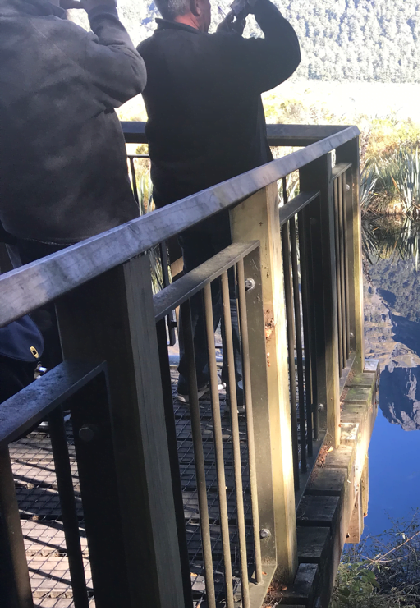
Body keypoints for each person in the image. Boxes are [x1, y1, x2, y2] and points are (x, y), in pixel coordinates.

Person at [0, 0, 145, 608]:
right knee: (112, 373)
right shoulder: (60, 40)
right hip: (93, 244)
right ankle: (119, 480)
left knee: (54, 362)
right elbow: (131, 73)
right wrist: (106, 15)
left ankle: (70, 421)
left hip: (21, 243)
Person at [138, 0, 301, 403]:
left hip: (181, 197)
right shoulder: (224, 53)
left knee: (197, 280)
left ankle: (193, 378)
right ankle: (244, 386)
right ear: (197, 6)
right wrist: (260, 8)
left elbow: (198, 68)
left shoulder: (149, 52)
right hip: (237, 198)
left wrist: (227, 33)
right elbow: (286, 53)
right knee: (241, 286)